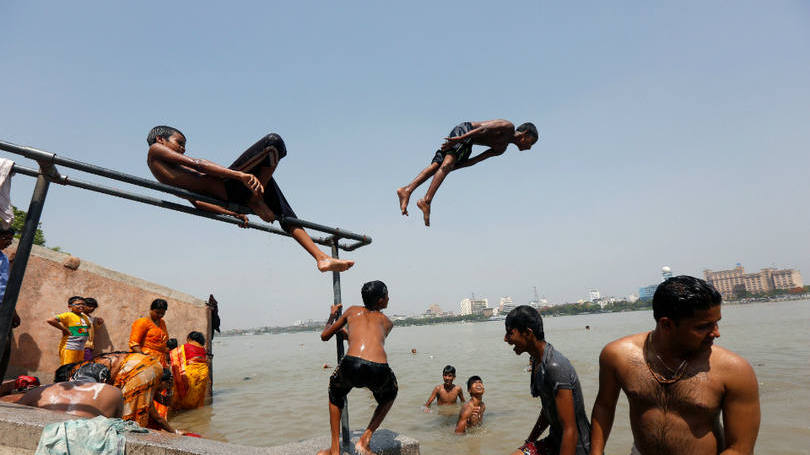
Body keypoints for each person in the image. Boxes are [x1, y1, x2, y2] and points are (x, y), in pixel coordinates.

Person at [589, 276, 760, 455]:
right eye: (703, 327)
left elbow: (740, 448)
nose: (716, 333)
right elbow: (604, 406)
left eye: (717, 323)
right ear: (666, 325)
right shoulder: (618, 356)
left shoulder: (734, 370)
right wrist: (596, 452)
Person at [146, 126, 354, 273]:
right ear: (161, 140)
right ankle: (255, 197)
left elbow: (198, 202)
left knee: (285, 214)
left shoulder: (170, 173)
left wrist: (233, 212)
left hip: (232, 192)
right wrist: (240, 176)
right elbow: (198, 164)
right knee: (274, 142)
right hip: (232, 186)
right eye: (179, 143)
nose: (183, 148)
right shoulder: (155, 152)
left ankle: (321, 258)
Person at [396, 119, 539, 226]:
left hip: (467, 142)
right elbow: (482, 129)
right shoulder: (508, 127)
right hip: (465, 131)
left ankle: (407, 190)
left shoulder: (501, 149)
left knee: (438, 166)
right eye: (531, 142)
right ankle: (426, 201)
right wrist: (459, 139)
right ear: (525, 135)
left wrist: (453, 169)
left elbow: (474, 160)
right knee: (446, 164)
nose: (529, 147)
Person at [317, 280, 397, 455]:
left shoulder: (352, 310)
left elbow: (325, 336)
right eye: (386, 295)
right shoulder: (388, 322)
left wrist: (332, 317)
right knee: (389, 394)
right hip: (379, 368)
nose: (389, 298)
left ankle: (335, 450)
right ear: (380, 301)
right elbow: (370, 341)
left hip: (351, 364)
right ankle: (365, 440)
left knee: (335, 393)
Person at [504, 305, 591, 455]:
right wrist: (529, 442)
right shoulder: (537, 362)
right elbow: (548, 409)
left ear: (528, 333)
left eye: (510, 333)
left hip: (576, 448)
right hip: (555, 440)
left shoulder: (554, 365)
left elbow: (570, 429)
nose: (506, 339)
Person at [2, 363, 123, 419]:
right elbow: (117, 425)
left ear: (71, 378)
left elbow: (13, 414)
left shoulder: (42, 390)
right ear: (104, 380)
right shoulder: (113, 392)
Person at [169, 331, 210, 410]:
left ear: (190, 338)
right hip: (203, 373)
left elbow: (174, 354)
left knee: (184, 396)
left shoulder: (185, 347)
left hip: (192, 373)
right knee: (197, 395)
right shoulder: (202, 349)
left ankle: (182, 411)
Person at [46, 296, 91, 365]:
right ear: (70, 307)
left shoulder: (84, 317)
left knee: (77, 368)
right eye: (78, 304)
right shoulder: (68, 315)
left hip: (81, 348)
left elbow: (87, 327)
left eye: (83, 304)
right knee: (67, 369)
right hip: (70, 347)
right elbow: (50, 320)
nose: (81, 306)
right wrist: (64, 329)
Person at [130, 299, 170, 367]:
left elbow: (164, 342)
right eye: (157, 312)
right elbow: (134, 344)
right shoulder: (143, 322)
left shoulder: (162, 323)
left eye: (162, 313)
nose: (160, 315)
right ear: (151, 310)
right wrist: (145, 358)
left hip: (160, 361)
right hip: (144, 360)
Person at [0, 227, 18, 377]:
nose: (8, 243)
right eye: (6, 239)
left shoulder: (3, 259)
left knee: (5, 348)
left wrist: (12, 310)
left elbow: (6, 287)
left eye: (11, 240)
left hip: (4, 307)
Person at [81, 297, 104, 361]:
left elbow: (91, 329)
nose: (92, 308)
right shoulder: (80, 316)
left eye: (94, 307)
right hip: (83, 345)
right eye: (90, 306)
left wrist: (99, 324)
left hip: (89, 345)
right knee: (87, 364)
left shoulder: (90, 317)